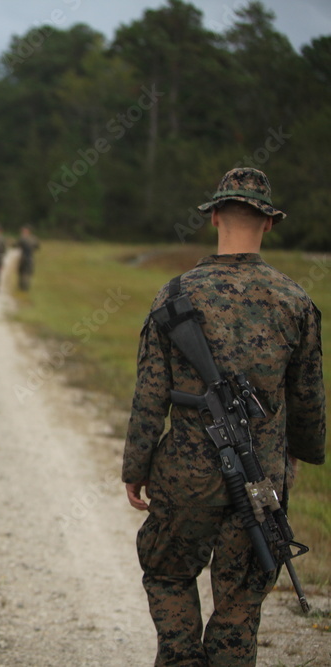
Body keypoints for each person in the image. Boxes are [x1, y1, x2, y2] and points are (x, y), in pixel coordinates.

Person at [122, 167, 325, 666]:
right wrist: (296, 459)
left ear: (213, 217)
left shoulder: (174, 296)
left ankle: (180, 656)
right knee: (238, 606)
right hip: (261, 486)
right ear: (269, 224)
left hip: (184, 480)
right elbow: (308, 404)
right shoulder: (295, 301)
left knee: (168, 574)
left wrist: (136, 468)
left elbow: (149, 397)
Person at [16, 225, 39, 291]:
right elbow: (37, 247)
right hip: (28, 257)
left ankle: (24, 286)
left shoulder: (23, 238)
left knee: (25, 272)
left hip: (26, 257)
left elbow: (17, 244)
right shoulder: (34, 238)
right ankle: (23, 286)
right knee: (23, 272)